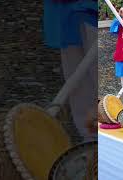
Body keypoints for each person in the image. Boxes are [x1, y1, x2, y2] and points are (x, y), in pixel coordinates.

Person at [43, 0, 97, 142]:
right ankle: (89, 139)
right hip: (66, 14)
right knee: (77, 82)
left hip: (94, 12)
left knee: (102, 77)